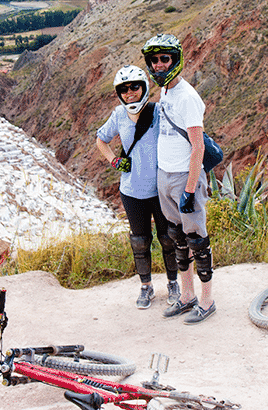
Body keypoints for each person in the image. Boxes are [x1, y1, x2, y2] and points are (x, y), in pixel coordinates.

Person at [142, 33, 216, 324]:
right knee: (177, 239)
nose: (160, 65)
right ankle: (187, 297)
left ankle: (207, 300)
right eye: (155, 60)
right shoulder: (166, 93)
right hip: (165, 174)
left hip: (185, 176)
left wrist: (189, 189)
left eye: (165, 59)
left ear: (175, 60)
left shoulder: (187, 96)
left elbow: (197, 146)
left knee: (197, 240)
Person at [95, 65, 180, 309]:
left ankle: (173, 283)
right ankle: (146, 286)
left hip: (161, 189)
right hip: (132, 190)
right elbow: (101, 140)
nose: (130, 92)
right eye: (124, 89)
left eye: (134, 87)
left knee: (168, 238)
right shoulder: (118, 115)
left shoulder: (158, 111)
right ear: (118, 93)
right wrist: (114, 160)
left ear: (144, 87)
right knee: (140, 240)